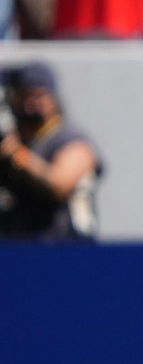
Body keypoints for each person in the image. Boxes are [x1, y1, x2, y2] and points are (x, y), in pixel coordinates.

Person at [0, 62, 102, 240]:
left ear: (53, 99)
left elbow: (59, 185)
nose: (31, 103)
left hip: (66, 251)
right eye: (25, 96)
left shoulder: (69, 140)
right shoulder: (14, 141)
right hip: (15, 250)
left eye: (39, 96)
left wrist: (20, 157)